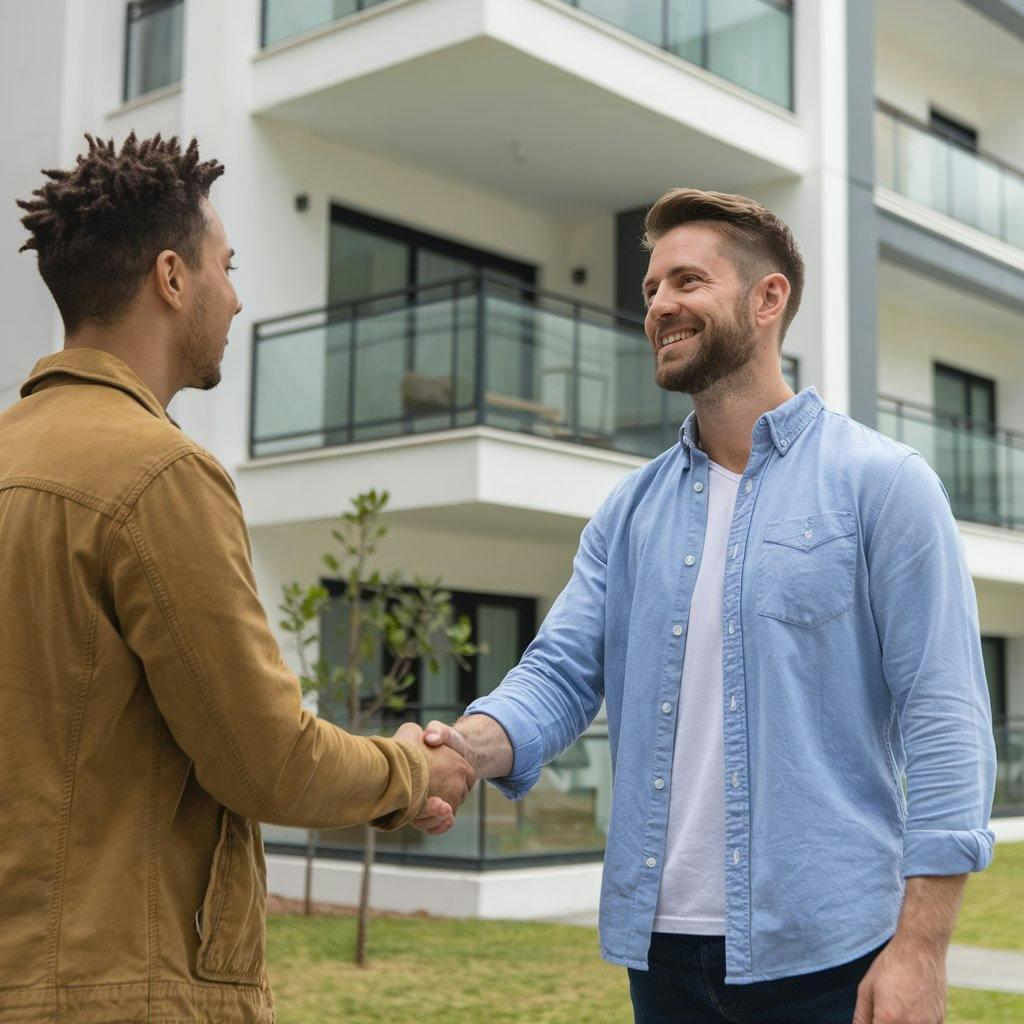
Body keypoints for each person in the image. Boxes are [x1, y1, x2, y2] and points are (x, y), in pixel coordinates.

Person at [421, 188, 997, 1023]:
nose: (659, 307)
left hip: (832, 954)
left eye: (686, 282)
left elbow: (945, 719)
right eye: (651, 290)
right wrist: (462, 750)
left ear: (769, 300)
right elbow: (557, 675)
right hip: (662, 960)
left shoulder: (884, 485)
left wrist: (922, 947)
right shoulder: (629, 511)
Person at [0, 132, 470, 1024]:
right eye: (228, 264)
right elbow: (266, 760)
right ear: (172, 280)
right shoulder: (158, 474)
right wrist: (409, 773)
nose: (239, 295)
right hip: (123, 988)